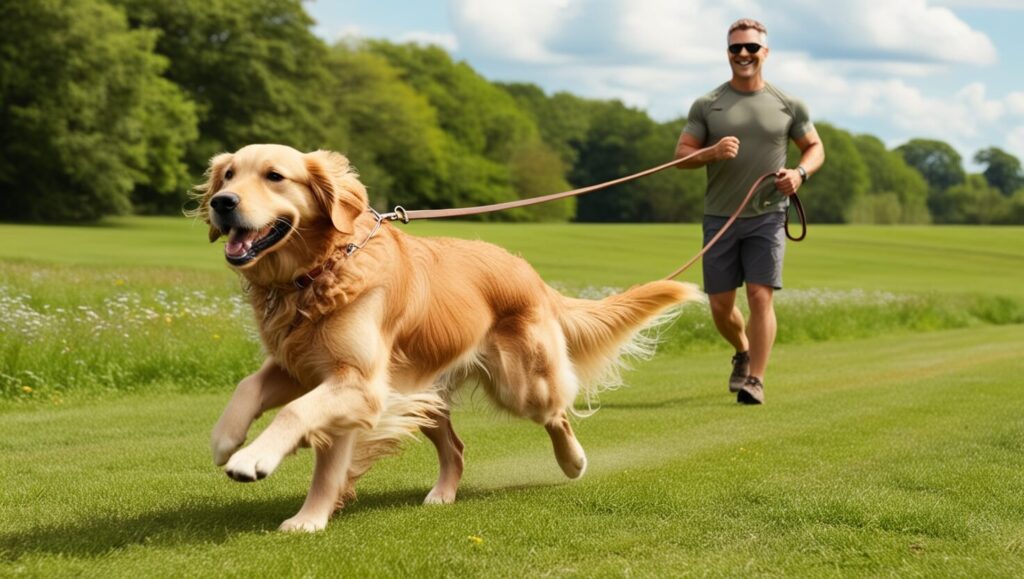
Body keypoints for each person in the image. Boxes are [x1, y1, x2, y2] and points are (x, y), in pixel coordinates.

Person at [674, 18, 824, 405]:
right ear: (727, 53)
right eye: (735, 48)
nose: (743, 54)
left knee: (760, 295)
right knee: (721, 307)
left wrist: (799, 173)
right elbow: (681, 157)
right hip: (720, 217)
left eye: (751, 48)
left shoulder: (788, 104)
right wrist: (711, 152)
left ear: (765, 53)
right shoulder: (708, 104)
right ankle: (742, 351)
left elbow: (815, 148)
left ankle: (755, 378)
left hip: (768, 215)